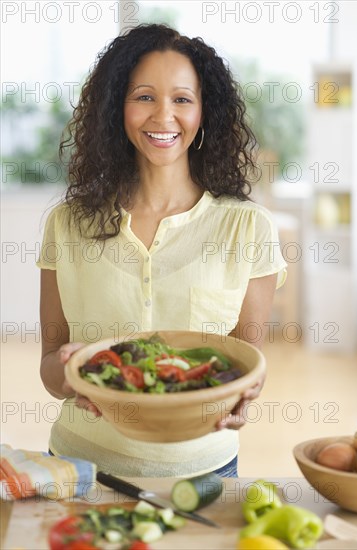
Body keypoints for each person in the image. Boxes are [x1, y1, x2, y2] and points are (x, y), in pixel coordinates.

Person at [37, 23, 287, 478]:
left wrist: (243, 400)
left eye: (182, 99)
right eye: (145, 96)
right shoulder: (67, 223)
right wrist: (71, 375)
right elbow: (51, 365)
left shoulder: (248, 227)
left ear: (204, 111)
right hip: (80, 465)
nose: (163, 116)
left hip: (205, 469)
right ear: (118, 108)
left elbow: (249, 362)